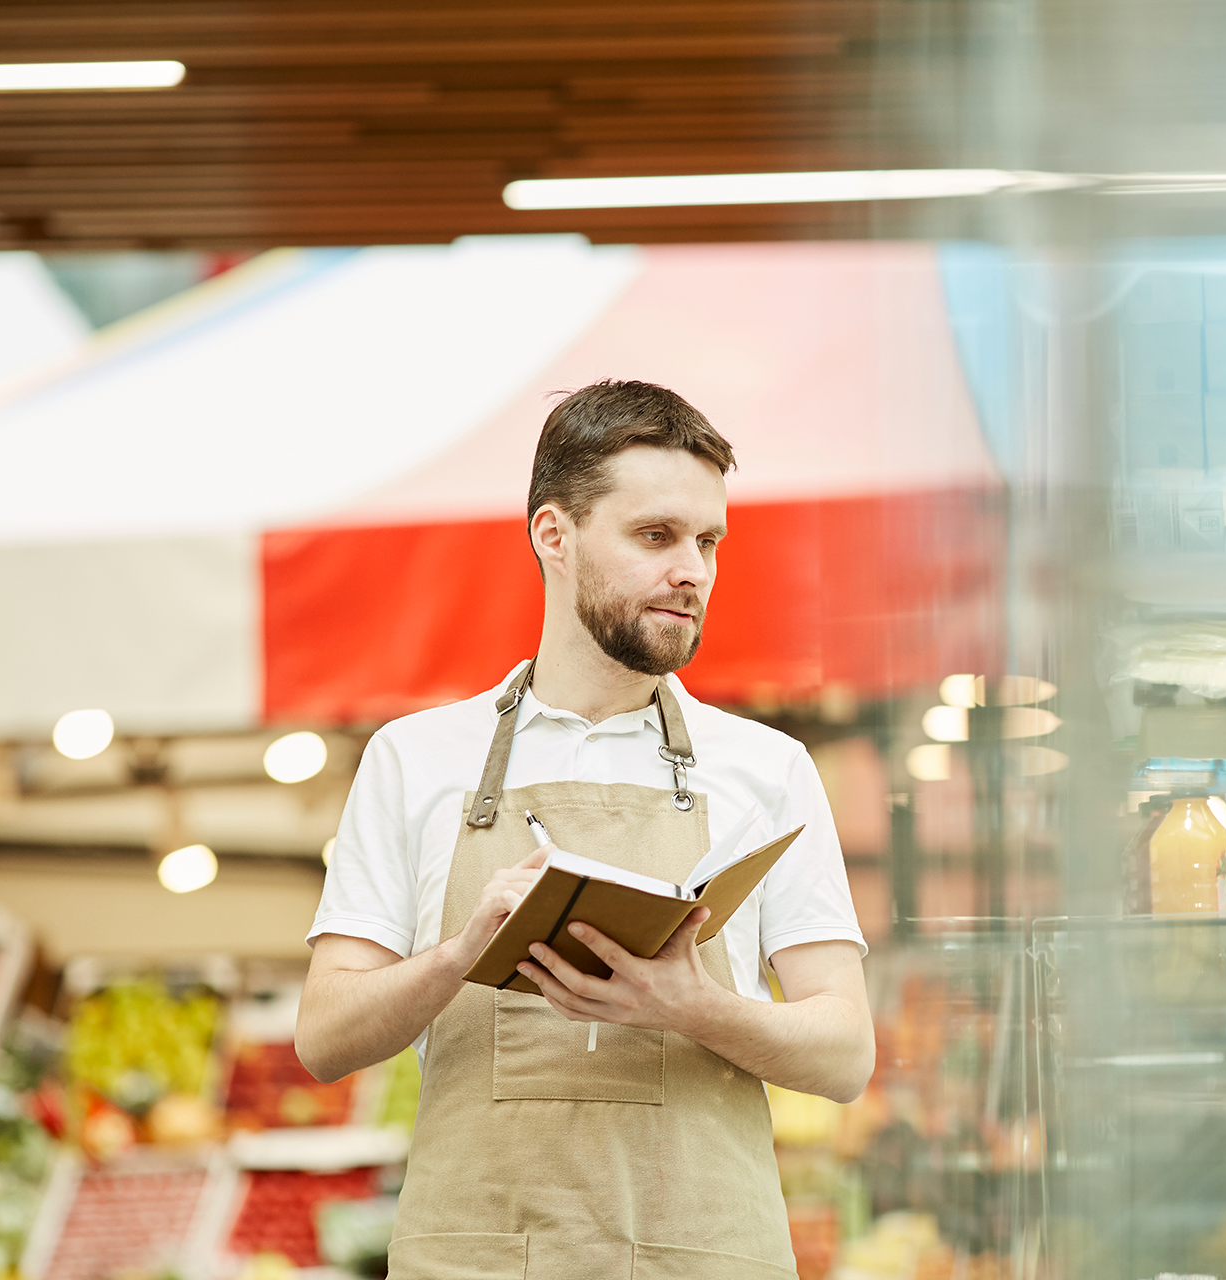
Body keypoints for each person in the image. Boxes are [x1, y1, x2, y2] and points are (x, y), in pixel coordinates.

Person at [296, 380, 874, 1280]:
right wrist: (462, 954)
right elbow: (324, 1037)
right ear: (554, 535)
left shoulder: (768, 768)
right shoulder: (415, 758)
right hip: (479, 1259)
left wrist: (689, 1004)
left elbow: (845, 1052)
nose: (694, 569)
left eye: (708, 540)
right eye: (656, 536)